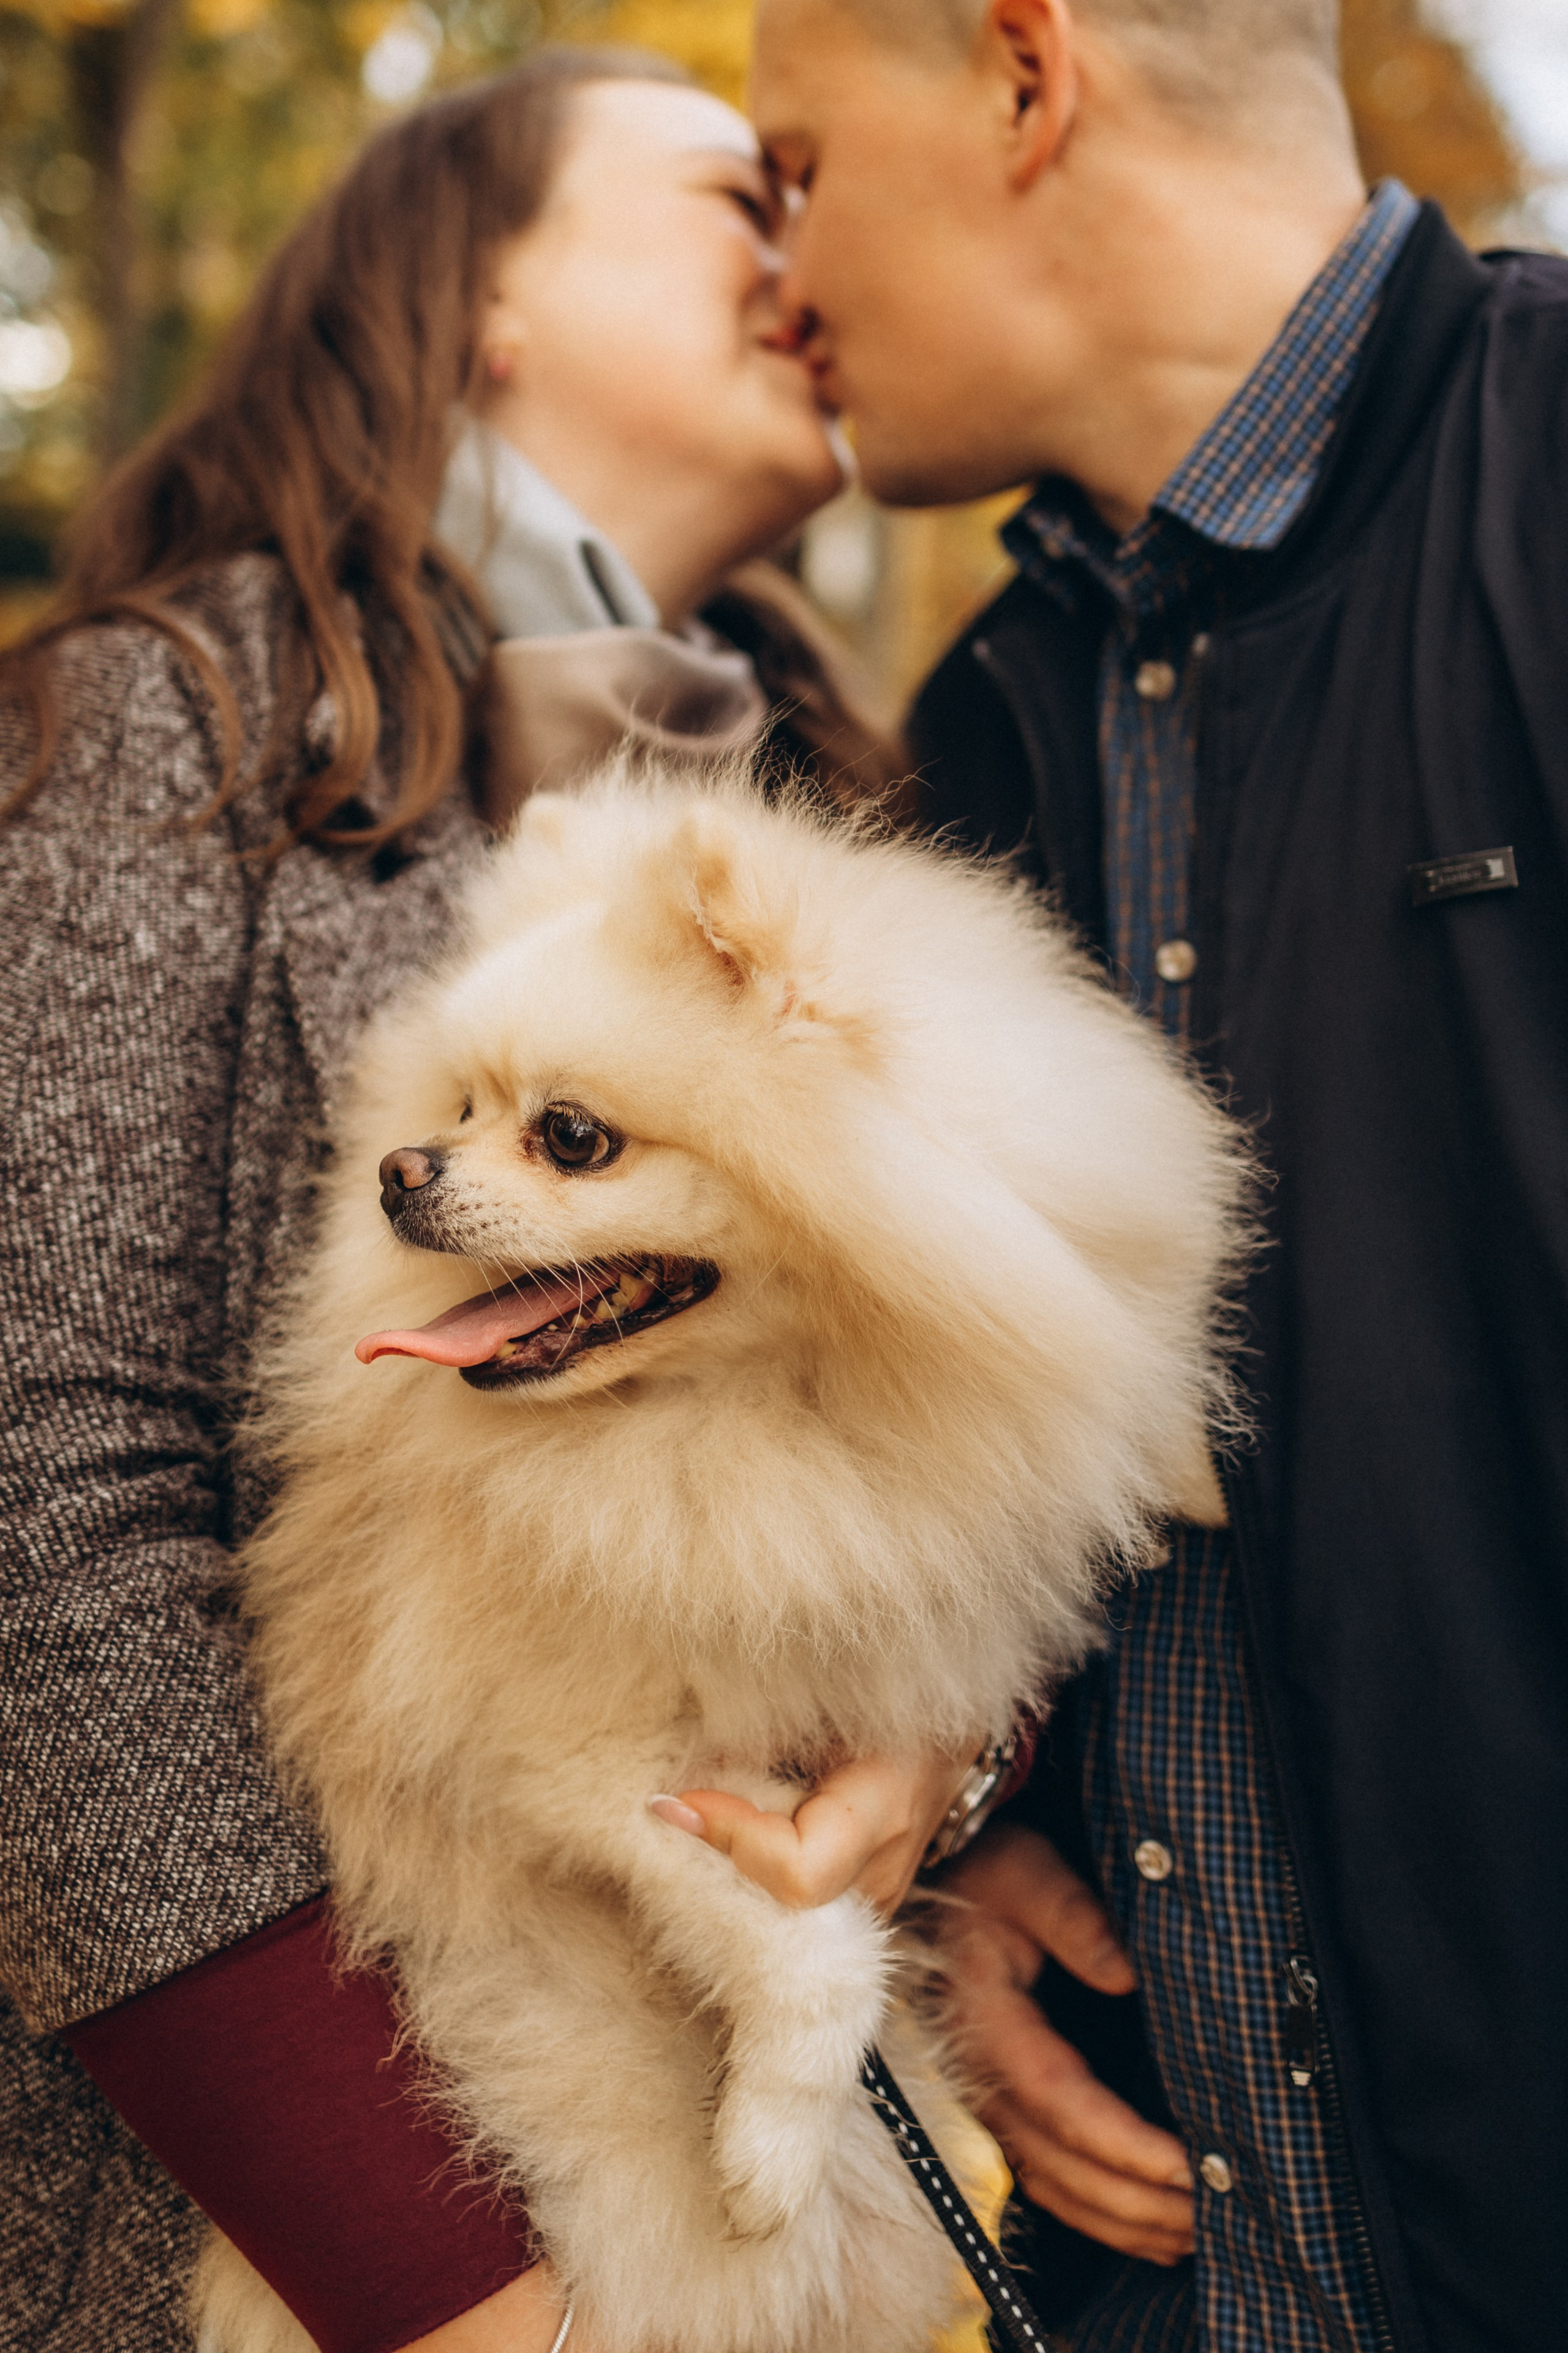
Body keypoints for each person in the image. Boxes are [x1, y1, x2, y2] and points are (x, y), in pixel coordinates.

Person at [0, 47, 957, 2353]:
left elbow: (953, 1436)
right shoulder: (172, 725)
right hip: (277, 2231)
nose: (804, 252)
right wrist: (445, 2290)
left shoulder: (849, 797)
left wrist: (941, 1744)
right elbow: (41, 1499)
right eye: (745, 196)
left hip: (738, 2192)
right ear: (483, 296)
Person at [726, 0, 1568, 2347]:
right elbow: (1043, 1469)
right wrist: (977, 1853)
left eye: (794, 168)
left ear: (1024, 72)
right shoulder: (980, 727)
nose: (778, 281)